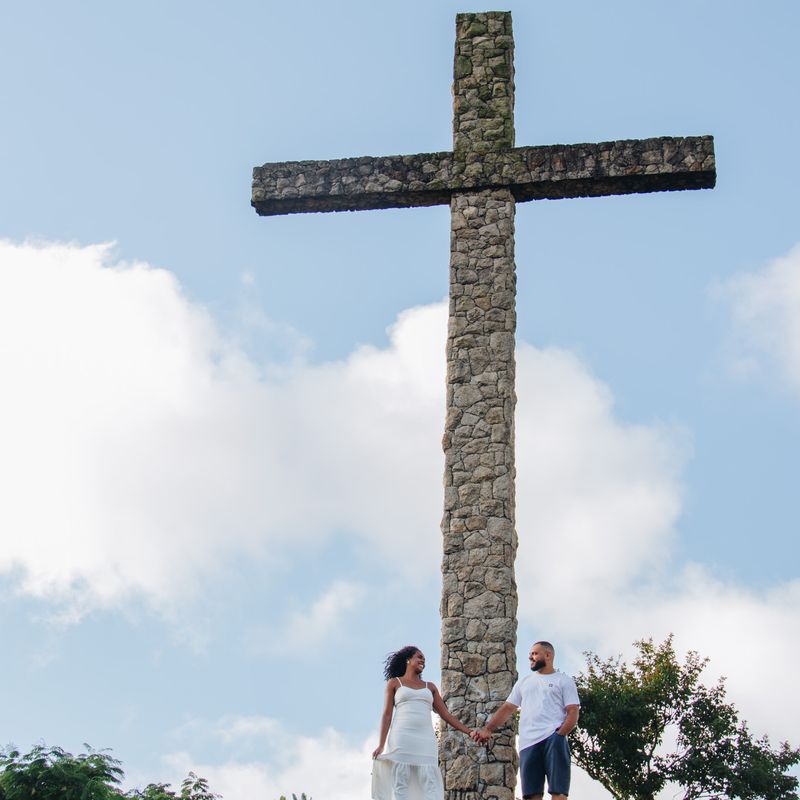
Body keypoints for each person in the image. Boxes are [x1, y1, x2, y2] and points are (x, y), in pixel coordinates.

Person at [472, 641, 580, 800]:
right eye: (530, 654)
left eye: (535, 653)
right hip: (528, 743)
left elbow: (573, 711)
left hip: (553, 739)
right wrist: (488, 729)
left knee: (559, 793)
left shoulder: (563, 681)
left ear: (548, 655)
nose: (530, 657)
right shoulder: (524, 682)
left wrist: (560, 735)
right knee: (531, 795)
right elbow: (508, 708)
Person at [372, 645, 474, 800]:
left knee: (429, 782)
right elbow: (387, 715)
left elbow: (446, 715)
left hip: (425, 739)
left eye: (424, 659)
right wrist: (381, 744)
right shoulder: (395, 683)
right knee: (401, 781)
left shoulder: (430, 687)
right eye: (419, 657)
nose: (422, 661)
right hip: (402, 737)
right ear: (408, 660)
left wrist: (470, 732)